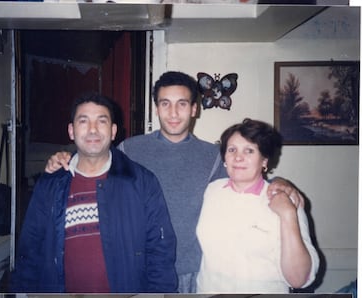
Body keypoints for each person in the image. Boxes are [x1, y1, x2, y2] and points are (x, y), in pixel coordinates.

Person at [44, 71, 304, 293]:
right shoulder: (129, 149)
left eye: (182, 104)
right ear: (156, 107)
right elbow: (92, 164)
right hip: (142, 270)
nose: (173, 112)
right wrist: (65, 159)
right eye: (165, 103)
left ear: (194, 109)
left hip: (196, 272)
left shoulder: (216, 156)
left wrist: (281, 181)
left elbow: (250, 182)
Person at [10, 93, 178, 293]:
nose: (92, 129)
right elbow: (30, 250)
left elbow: (160, 252)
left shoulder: (142, 182)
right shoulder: (50, 184)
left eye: (101, 121)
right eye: (83, 121)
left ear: (113, 131)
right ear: (71, 131)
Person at [196, 118, 319, 293]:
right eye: (232, 150)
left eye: (249, 150)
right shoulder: (212, 191)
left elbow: (299, 279)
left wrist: (288, 215)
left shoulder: (286, 200)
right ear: (224, 157)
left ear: (264, 161)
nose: (238, 157)